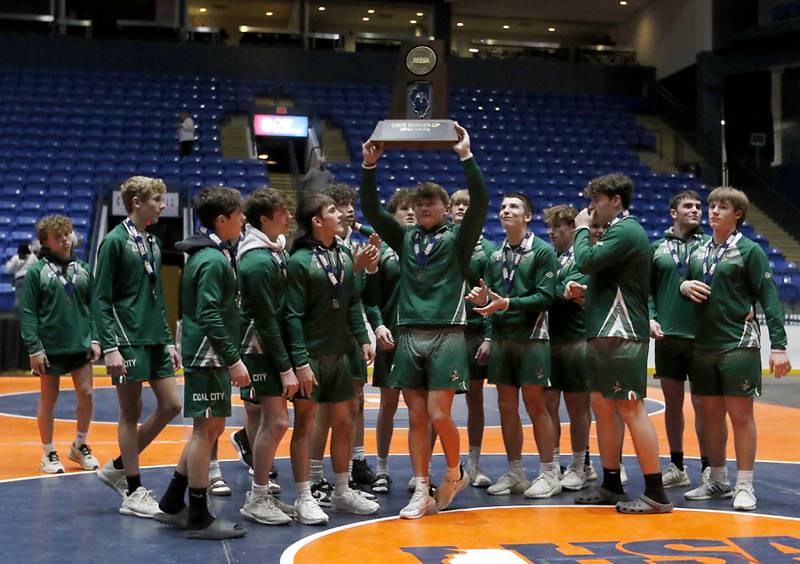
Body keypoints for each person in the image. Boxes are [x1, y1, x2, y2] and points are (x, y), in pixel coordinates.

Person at [360, 122, 488, 519]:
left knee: (438, 415)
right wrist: (369, 167)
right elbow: (371, 211)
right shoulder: (406, 239)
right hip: (408, 335)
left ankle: (454, 471)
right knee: (415, 417)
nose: (423, 208)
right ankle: (421, 487)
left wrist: (466, 156)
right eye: (419, 204)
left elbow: (481, 203)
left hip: (448, 334)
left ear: (445, 209)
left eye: (431, 203)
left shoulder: (457, 240)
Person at [680, 187, 790, 511]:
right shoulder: (698, 251)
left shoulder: (750, 250)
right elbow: (685, 282)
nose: (713, 211)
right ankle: (717, 479)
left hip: (738, 343)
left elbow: (769, 298)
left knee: (741, 416)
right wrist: (683, 284)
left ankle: (744, 484)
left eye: (722, 207)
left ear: (737, 214)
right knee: (711, 415)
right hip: (703, 344)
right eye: (712, 206)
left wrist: (779, 346)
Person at [572, 173, 673, 514]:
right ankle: (612, 482)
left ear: (615, 201)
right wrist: (588, 291)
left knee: (631, 408)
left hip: (622, 332)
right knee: (603, 407)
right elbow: (610, 278)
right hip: (606, 330)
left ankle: (656, 493)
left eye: (597, 201)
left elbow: (585, 260)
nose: (591, 207)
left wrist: (581, 228)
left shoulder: (625, 230)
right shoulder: (620, 232)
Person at [156, 187, 250, 539]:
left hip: (207, 353)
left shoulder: (211, 254)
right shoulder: (211, 259)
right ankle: (198, 514)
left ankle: (171, 501)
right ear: (222, 220)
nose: (243, 220)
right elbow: (209, 313)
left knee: (208, 430)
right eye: (239, 215)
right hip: (209, 356)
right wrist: (233, 358)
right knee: (205, 431)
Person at [286, 193, 380, 525]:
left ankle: (342, 490)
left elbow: (352, 300)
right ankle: (304, 495)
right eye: (332, 211)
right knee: (305, 425)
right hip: (310, 355)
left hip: (341, 354)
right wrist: (299, 361)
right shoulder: (298, 261)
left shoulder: (343, 253)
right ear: (317, 221)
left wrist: (362, 337)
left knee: (344, 420)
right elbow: (292, 316)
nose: (340, 215)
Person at [93, 176, 182, 518]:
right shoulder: (114, 242)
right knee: (130, 414)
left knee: (172, 405)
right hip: (126, 339)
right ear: (135, 202)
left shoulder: (154, 243)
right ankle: (132, 489)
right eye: (156, 200)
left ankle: (117, 466)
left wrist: (167, 338)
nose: (161, 206)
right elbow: (101, 299)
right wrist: (110, 346)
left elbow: (157, 297)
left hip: (154, 338)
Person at [466, 193, 560, 499]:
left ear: (528, 217)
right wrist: (490, 333)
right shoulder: (495, 255)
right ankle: (516, 472)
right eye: (504, 207)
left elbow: (547, 298)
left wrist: (508, 303)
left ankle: (548, 473)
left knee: (536, 405)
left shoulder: (543, 252)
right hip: (504, 341)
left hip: (532, 338)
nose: (506, 210)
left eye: (514, 207)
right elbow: (493, 302)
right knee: (506, 406)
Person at [308, 183, 379, 506]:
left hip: (349, 334)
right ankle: (312, 479)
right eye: (338, 206)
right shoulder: (311, 254)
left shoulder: (350, 246)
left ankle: (348, 471)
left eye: (349, 205)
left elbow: (354, 299)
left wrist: (366, 334)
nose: (347, 211)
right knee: (319, 413)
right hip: (320, 340)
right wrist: (357, 268)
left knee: (351, 405)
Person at [20, 215, 100, 474]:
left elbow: (95, 306)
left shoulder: (84, 269)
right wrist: (35, 348)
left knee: (87, 394)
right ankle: (48, 452)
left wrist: (97, 338)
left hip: (80, 343)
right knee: (49, 399)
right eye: (58, 236)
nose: (66, 240)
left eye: (68, 234)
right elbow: (29, 313)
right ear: (46, 242)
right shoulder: (36, 272)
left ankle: (80, 444)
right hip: (50, 347)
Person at [236, 188, 298, 525]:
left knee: (265, 421)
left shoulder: (273, 252)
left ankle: (259, 494)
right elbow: (266, 319)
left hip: (266, 346)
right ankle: (257, 497)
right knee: (277, 422)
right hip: (260, 348)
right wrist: (286, 367)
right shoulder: (259, 260)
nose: (289, 217)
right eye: (282, 211)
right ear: (265, 218)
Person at [649, 190, 714, 488]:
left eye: (699, 206)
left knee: (703, 405)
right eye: (688, 206)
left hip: (703, 337)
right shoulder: (657, 248)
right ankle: (677, 466)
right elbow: (647, 290)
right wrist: (650, 316)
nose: (696, 210)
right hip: (668, 335)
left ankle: (709, 467)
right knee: (673, 404)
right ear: (673, 212)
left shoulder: (711, 246)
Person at [363, 188, 416, 494]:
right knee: (388, 405)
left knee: (419, 407)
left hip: (421, 336)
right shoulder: (382, 254)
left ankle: (419, 470)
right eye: (403, 209)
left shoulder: (428, 249)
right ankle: (382, 468)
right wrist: (378, 325)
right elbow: (370, 299)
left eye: (413, 208)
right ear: (391, 217)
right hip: (391, 337)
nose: (410, 212)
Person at [543, 204, 594, 491]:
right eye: (549, 227)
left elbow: (568, 292)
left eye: (557, 228)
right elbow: (552, 291)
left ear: (573, 229)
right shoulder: (551, 257)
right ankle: (554, 463)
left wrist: (551, 291)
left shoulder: (584, 259)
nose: (551, 233)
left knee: (578, 407)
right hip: (551, 340)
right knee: (548, 405)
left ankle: (580, 465)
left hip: (577, 340)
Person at [448, 189, 493, 488]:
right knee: (438, 403)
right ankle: (432, 468)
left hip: (475, 332)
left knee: (475, 401)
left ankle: (473, 463)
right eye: (457, 204)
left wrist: (490, 336)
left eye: (468, 204)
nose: (462, 208)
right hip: (447, 332)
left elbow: (493, 293)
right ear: (449, 210)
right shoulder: (441, 242)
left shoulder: (489, 249)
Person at [6, 242, 37, 309]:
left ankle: (18, 316)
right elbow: (37, 266)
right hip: (30, 279)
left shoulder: (16, 258)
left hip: (19, 279)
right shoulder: (33, 257)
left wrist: (8, 263)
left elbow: (9, 269)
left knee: (19, 298)